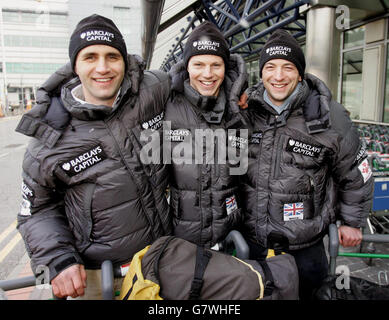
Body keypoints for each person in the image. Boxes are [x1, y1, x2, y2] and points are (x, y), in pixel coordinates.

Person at [15, 14, 171, 299]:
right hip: (102, 278)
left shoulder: (154, 89)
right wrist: (57, 259)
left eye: (112, 56)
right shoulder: (49, 137)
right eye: (90, 57)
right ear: (75, 65)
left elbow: (197, 76)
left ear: (124, 60)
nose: (103, 67)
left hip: (163, 261)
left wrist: (237, 94)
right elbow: (34, 211)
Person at [240, 29, 373, 300]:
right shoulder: (246, 111)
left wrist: (352, 221)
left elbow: (355, 171)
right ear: (261, 72)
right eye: (270, 67)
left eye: (288, 67)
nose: (278, 76)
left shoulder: (329, 115)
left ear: (300, 73)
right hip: (254, 243)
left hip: (306, 249)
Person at [164, 21, 248, 248]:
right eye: (198, 64)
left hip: (231, 240)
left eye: (216, 65)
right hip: (180, 242)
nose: (208, 74)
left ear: (225, 67)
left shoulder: (240, 108)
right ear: (186, 66)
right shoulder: (165, 105)